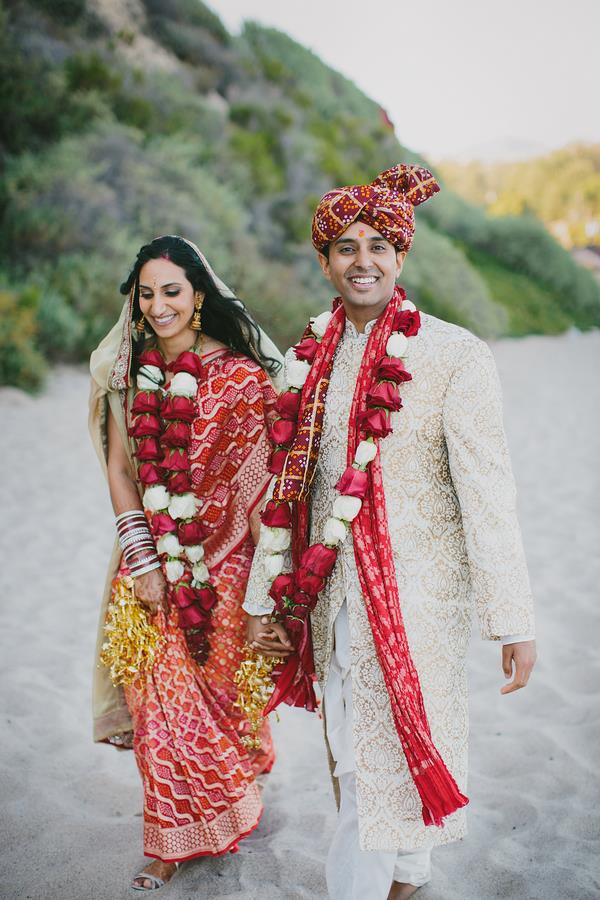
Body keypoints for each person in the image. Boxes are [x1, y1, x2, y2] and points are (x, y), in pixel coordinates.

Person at [242, 166, 536, 900]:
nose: (362, 260)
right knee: (356, 757)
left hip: (418, 604)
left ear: (401, 257)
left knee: (374, 769)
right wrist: (263, 601)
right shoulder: (305, 360)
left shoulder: (454, 356)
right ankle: (407, 876)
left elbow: (489, 495)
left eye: (378, 244)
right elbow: (282, 494)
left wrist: (513, 619)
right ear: (324, 261)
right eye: (345, 246)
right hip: (333, 603)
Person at [89, 235, 284, 891]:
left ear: (199, 295)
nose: (159, 304)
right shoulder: (129, 369)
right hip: (148, 556)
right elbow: (120, 468)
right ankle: (169, 842)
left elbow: (260, 484)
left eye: (171, 290)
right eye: (147, 293)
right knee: (157, 704)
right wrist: (144, 557)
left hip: (223, 562)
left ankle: (230, 799)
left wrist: (269, 584)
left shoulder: (240, 377)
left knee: (219, 698)